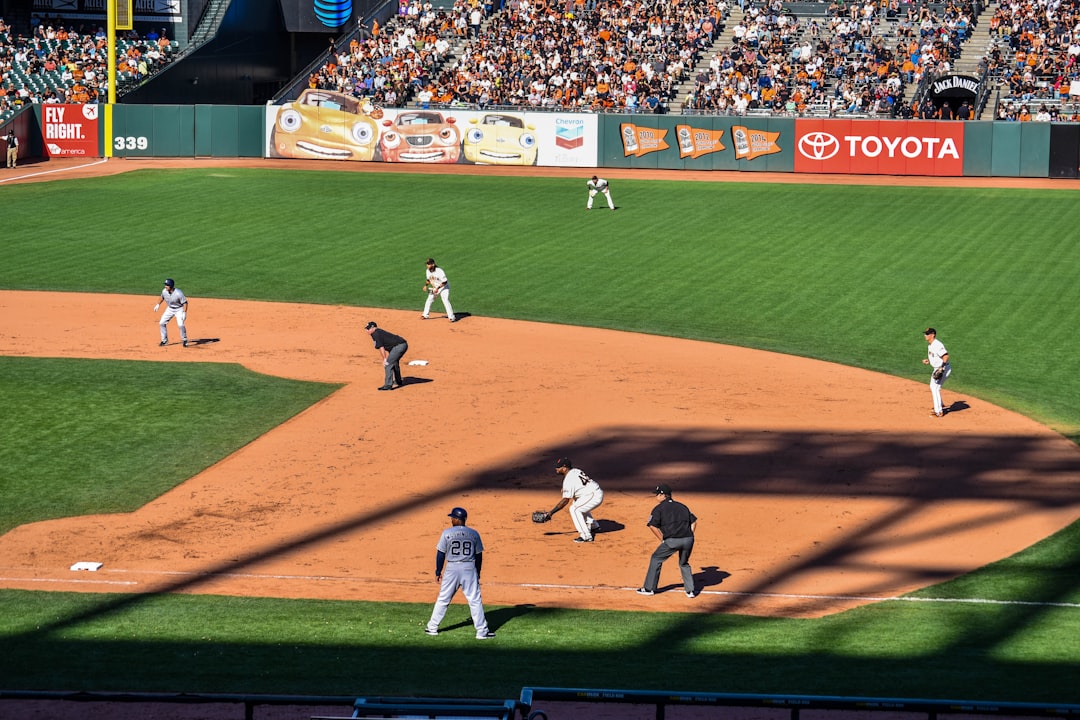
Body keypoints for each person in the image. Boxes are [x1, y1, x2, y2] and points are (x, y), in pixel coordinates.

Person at [425, 506, 496, 639]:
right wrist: (477, 572)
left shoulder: (447, 533)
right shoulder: (474, 533)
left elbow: (440, 554)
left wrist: (438, 571)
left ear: (457, 519)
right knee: (475, 600)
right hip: (469, 567)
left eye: (452, 517)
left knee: (443, 598)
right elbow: (479, 555)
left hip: (452, 568)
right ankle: (482, 632)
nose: (451, 519)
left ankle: (432, 628)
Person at [637, 484, 698, 598]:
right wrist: (690, 535)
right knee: (684, 563)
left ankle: (649, 588)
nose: (656, 497)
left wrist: (662, 540)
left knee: (656, 558)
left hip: (672, 541)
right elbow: (694, 522)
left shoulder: (658, 508)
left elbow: (652, 526)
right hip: (688, 540)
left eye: (657, 495)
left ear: (663, 495)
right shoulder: (682, 506)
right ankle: (690, 591)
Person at [546, 457, 604, 543]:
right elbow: (576, 483)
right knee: (577, 502)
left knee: (575, 509)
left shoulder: (569, 479)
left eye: (559, 467)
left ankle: (586, 536)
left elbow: (565, 501)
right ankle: (593, 526)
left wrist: (551, 513)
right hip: (592, 493)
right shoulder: (575, 470)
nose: (556, 468)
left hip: (593, 496)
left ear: (565, 468)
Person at [365, 321, 407, 390]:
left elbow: (381, 348)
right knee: (394, 362)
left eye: (368, 329)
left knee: (388, 363)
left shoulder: (376, 334)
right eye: (366, 329)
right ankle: (398, 381)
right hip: (399, 345)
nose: (367, 330)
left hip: (399, 346)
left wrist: (384, 359)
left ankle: (388, 385)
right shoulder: (374, 333)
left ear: (373, 328)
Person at [922, 327, 951, 417]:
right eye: (925, 334)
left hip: (943, 368)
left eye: (927, 334)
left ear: (932, 335)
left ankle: (938, 411)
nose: (925, 335)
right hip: (938, 368)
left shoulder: (937, 344)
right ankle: (940, 405)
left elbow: (946, 356)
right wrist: (929, 361)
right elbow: (936, 357)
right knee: (933, 387)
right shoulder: (930, 345)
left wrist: (941, 368)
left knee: (935, 388)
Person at [154, 278, 189, 347]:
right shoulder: (164, 291)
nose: (165, 286)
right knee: (161, 323)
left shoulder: (179, 293)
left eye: (167, 285)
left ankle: (184, 340)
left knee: (180, 325)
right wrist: (158, 304)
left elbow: (185, 303)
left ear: (171, 286)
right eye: (165, 285)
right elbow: (162, 298)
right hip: (170, 309)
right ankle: (164, 340)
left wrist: (184, 312)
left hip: (179, 309)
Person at [422, 258, 457, 322]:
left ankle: (452, 317)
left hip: (444, 287)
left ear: (433, 264)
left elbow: (445, 282)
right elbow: (428, 280)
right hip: (435, 288)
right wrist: (425, 285)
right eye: (427, 264)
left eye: (429, 264)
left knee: (445, 300)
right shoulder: (427, 271)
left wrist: (438, 288)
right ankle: (425, 315)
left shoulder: (439, 271)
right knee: (429, 299)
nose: (427, 265)